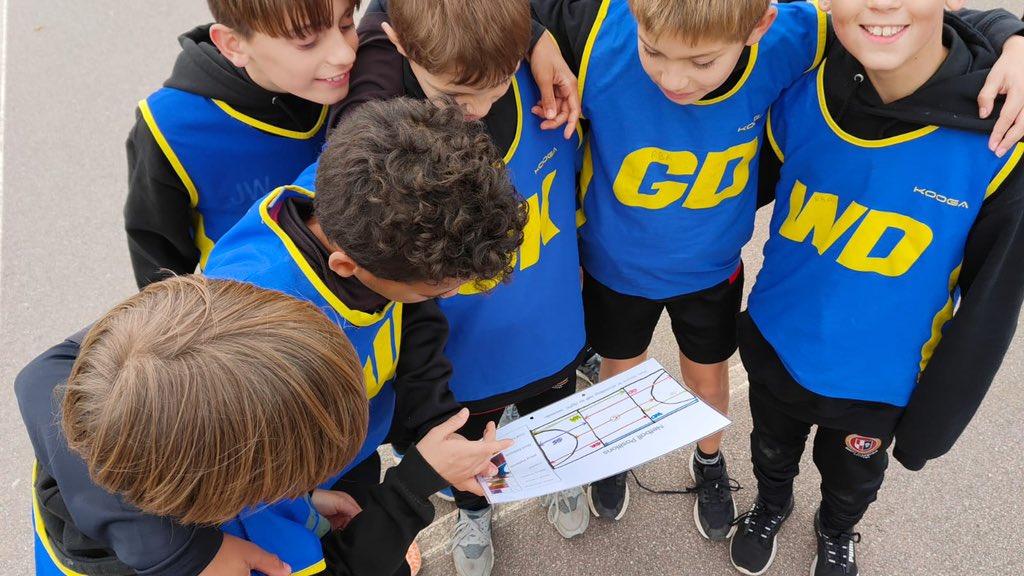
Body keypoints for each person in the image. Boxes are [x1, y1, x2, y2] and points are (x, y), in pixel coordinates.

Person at [531, 0, 1024, 541]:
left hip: (711, 269)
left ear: (758, 27)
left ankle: (710, 461)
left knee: (707, 378)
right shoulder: (594, 28)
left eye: (702, 62)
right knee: (619, 371)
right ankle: (614, 455)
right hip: (614, 266)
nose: (674, 77)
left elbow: (905, 22)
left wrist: (1011, 36)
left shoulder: (798, 36)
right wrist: (537, 38)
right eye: (653, 51)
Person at [729, 1, 1024, 574]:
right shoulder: (800, 84)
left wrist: (932, 426)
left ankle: (838, 529)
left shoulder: (1001, 141)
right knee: (771, 449)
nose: (882, 2)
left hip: (879, 383)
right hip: (777, 341)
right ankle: (771, 503)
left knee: (852, 478)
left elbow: (991, 308)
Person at [204, 96, 529, 574]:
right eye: (440, 286)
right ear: (345, 267)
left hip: (336, 463)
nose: (455, 292)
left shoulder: (362, 198)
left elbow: (413, 322)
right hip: (279, 489)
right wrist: (414, 484)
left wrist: (435, 429)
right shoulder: (258, 343)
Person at [17, 275, 508, 576]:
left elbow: (39, 375)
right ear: (236, 489)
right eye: (293, 477)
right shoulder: (248, 559)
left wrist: (299, 502)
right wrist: (412, 484)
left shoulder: (104, 424)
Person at [336, 2, 588, 574]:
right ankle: (473, 508)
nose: (476, 111)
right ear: (398, 44)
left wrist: (536, 35)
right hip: (456, 352)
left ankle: (560, 477)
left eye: (497, 87)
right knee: (467, 440)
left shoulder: (505, 46)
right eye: (454, 98)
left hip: (543, 326)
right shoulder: (375, 126)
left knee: (553, 406)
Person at [124, 0, 362, 289]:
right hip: (261, 320)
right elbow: (159, 264)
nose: (344, 53)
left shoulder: (369, 81)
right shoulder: (171, 127)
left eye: (347, 23)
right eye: (307, 41)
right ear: (233, 45)